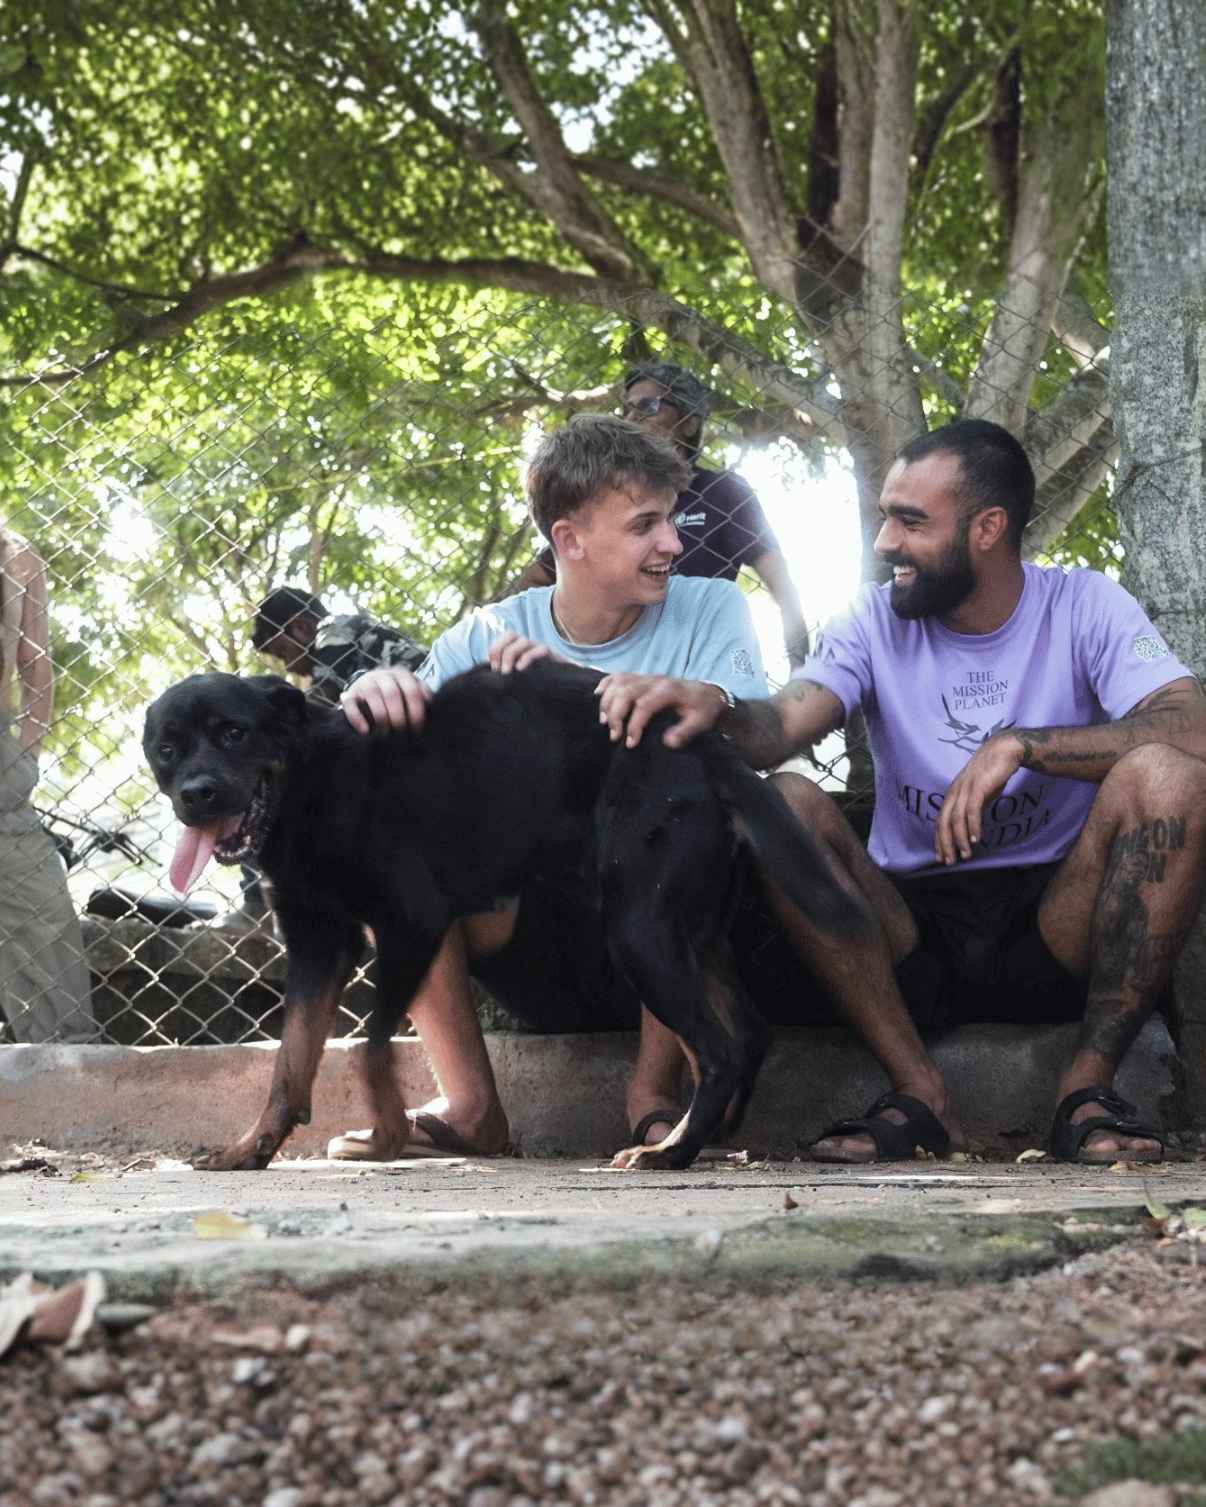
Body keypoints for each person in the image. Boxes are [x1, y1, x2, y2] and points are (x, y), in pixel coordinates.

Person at [595, 418, 1206, 1164]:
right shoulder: (873, 620)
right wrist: (715, 704)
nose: (885, 542)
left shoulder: (1084, 604)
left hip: (1058, 919)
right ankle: (919, 1092)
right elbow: (780, 728)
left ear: (988, 528)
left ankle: (1086, 1087)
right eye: (886, 517)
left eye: (911, 522)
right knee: (785, 801)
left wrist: (1023, 745)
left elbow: (1193, 727)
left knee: (1170, 774)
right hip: (911, 930)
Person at [330, 413, 769, 1158]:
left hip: (667, 915)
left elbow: (739, 746)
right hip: (531, 931)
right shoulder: (486, 632)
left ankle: (655, 1098)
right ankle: (472, 1107)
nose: (673, 543)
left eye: (670, 519)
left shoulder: (711, 607)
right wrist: (372, 696)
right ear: (570, 540)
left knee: (669, 828)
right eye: (646, 525)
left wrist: (569, 691)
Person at [512, 362, 811, 670]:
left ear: (689, 423)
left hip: (690, 660)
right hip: (608, 663)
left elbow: (782, 585)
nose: (632, 418)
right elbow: (535, 579)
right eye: (627, 410)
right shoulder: (610, 496)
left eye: (648, 406)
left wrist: (801, 670)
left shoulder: (723, 492)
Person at [0, 523, 94, 1042]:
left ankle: (64, 1066)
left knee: (41, 914)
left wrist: (25, 756)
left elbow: (36, 665)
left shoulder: (16, 554)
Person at [252, 587, 427, 704]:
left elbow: (320, 703)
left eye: (282, 652)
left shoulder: (333, 628)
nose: (288, 666)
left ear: (300, 628)